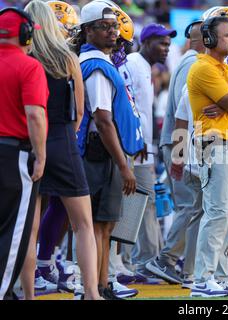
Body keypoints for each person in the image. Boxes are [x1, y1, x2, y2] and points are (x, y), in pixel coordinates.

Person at [18, 0, 102, 300]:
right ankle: (91, 293)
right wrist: (66, 135)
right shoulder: (67, 58)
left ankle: (29, 294)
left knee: (29, 229)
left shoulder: (23, 58)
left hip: (27, 144)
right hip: (62, 140)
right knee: (83, 225)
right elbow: (79, 111)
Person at [74, 0, 144, 299]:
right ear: (87, 31)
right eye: (104, 26)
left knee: (104, 224)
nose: (113, 32)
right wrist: (124, 165)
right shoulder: (97, 66)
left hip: (100, 151)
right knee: (97, 225)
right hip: (98, 152)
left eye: (114, 26)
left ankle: (101, 284)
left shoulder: (96, 61)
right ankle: (93, 286)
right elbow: (102, 121)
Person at [187, 15, 228, 297]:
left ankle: (221, 275)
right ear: (210, 39)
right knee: (217, 213)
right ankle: (202, 279)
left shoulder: (225, 69)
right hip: (216, 144)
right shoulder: (204, 68)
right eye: (227, 36)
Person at [147, 19, 206, 287]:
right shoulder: (193, 63)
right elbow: (186, 112)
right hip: (179, 142)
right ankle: (165, 260)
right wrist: (181, 154)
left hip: (179, 142)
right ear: (204, 38)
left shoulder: (190, 60)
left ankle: (186, 269)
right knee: (189, 206)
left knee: (195, 207)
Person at [0, 7, 48, 300]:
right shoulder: (29, 66)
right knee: (14, 233)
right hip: (14, 154)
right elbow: (35, 115)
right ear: (25, 34)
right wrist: (41, 155)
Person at [123, 22, 176, 280]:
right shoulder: (133, 63)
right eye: (161, 43)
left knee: (146, 203)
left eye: (168, 44)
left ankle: (140, 261)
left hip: (144, 147)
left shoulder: (146, 67)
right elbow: (126, 106)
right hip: (134, 147)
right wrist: (136, 142)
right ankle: (138, 261)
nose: (166, 48)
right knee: (139, 203)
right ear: (146, 42)